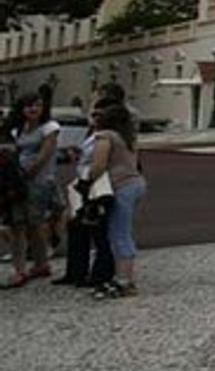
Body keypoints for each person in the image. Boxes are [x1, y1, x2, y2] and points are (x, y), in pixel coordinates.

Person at [57, 82, 124, 288]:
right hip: (84, 180)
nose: (92, 113)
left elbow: (100, 163)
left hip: (95, 185)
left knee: (97, 230)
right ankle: (76, 271)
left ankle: (98, 274)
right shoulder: (94, 131)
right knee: (77, 226)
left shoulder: (108, 134)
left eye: (96, 110)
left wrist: (86, 184)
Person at [81, 99, 145, 299]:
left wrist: (86, 177)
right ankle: (125, 277)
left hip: (119, 186)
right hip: (135, 183)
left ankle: (124, 280)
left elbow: (99, 165)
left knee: (119, 233)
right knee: (121, 230)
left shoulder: (105, 136)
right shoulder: (128, 137)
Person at [3, 89, 61, 287]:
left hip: (38, 181)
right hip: (18, 182)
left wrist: (26, 173)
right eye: (29, 105)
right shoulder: (18, 129)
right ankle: (23, 268)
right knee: (18, 224)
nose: (33, 108)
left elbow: (45, 154)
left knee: (35, 224)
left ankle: (40, 263)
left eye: (37, 105)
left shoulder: (50, 127)